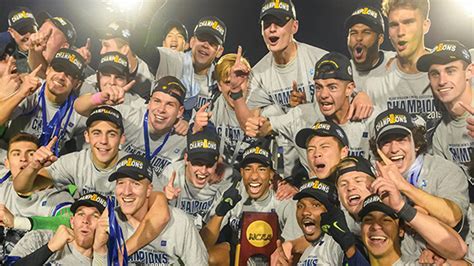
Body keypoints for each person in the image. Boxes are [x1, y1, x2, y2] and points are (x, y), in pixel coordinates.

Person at [245, 52, 377, 171]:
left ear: (349, 89)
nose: (323, 94)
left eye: (332, 87)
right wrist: (258, 127)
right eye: (319, 87)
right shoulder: (302, 114)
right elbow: (268, 126)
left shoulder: (368, 116)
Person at [335, 156, 468, 261]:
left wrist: (402, 209)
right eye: (343, 184)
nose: (350, 187)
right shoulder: (341, 223)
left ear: (376, 182)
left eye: (358, 181)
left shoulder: (397, 215)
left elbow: (458, 250)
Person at [92, 153, 208, 265]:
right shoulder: (108, 223)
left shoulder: (179, 223)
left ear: (149, 190)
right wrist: (99, 248)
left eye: (135, 184)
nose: (126, 192)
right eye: (121, 183)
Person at [201, 140, 301, 265]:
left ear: (271, 174)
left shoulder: (283, 198)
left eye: (261, 169)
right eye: (248, 169)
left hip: (274, 257)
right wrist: (220, 212)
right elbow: (203, 244)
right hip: (238, 254)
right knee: (208, 258)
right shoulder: (230, 194)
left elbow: (296, 248)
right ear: (242, 172)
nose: (254, 176)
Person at [371, 108, 469, 229]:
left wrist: (403, 185)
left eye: (401, 140)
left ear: (416, 144)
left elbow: (453, 217)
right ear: (378, 150)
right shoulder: (374, 180)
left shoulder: (444, 170)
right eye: (386, 142)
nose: (394, 149)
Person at [74, 75, 187, 176]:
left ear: (180, 112)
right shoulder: (128, 117)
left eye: (170, 105)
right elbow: (79, 107)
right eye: (157, 101)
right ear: (149, 103)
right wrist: (100, 98)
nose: (161, 109)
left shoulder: (184, 137)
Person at [13, 106, 126, 198]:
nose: (103, 141)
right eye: (97, 133)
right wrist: (33, 167)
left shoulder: (134, 165)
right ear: (87, 136)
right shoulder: (75, 162)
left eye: (111, 134)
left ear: (122, 139)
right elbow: (22, 188)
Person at [366, 0, 440, 137]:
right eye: (394, 25)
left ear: (425, 25)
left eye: (408, 22)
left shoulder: (447, 72)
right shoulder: (375, 83)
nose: (400, 32)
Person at [1, 48, 87, 155]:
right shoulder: (29, 88)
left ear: (77, 84)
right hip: (7, 160)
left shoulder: (79, 111)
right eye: (58, 68)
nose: (61, 76)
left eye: (70, 74)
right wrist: (20, 94)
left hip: (45, 167)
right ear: (48, 70)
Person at [157, 125, 235, 229]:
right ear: (186, 159)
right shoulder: (171, 173)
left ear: (217, 163)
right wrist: (163, 200)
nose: (203, 170)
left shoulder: (226, 178)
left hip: (206, 238)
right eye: (197, 163)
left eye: (209, 164)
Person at [417, 40, 473, 180]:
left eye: (450, 71)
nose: (442, 81)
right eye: (435, 74)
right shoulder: (439, 133)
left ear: (470, 72)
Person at [191, 49, 257, 167]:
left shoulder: (261, 105)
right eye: (228, 82)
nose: (234, 87)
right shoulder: (211, 108)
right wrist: (196, 130)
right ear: (219, 86)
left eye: (240, 81)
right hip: (221, 175)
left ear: (248, 82)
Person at [6, 192, 107, 265]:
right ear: (72, 221)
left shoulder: (103, 260)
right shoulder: (40, 238)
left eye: (95, 216)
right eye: (81, 214)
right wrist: (49, 248)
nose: (85, 220)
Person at [155, 16, 226, 112]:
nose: (205, 45)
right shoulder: (173, 60)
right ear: (192, 42)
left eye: (212, 43)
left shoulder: (221, 80)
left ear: (219, 51)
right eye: (202, 39)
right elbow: (145, 50)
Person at [94, 20, 154, 100]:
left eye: (107, 46)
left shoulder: (149, 78)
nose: (102, 52)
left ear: (124, 49)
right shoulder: (103, 70)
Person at [344, 5, 396, 90]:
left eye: (366, 32)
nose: (359, 38)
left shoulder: (396, 62)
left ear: (380, 39)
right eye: (353, 33)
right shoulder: (342, 71)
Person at [27, 12, 78, 78]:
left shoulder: (66, 79)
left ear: (64, 47)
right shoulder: (18, 65)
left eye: (47, 36)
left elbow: (45, 74)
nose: (40, 38)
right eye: (40, 32)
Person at [6, 7, 38, 73]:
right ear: (11, 32)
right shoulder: (9, 64)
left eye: (32, 28)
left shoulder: (50, 54)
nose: (29, 35)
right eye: (22, 30)